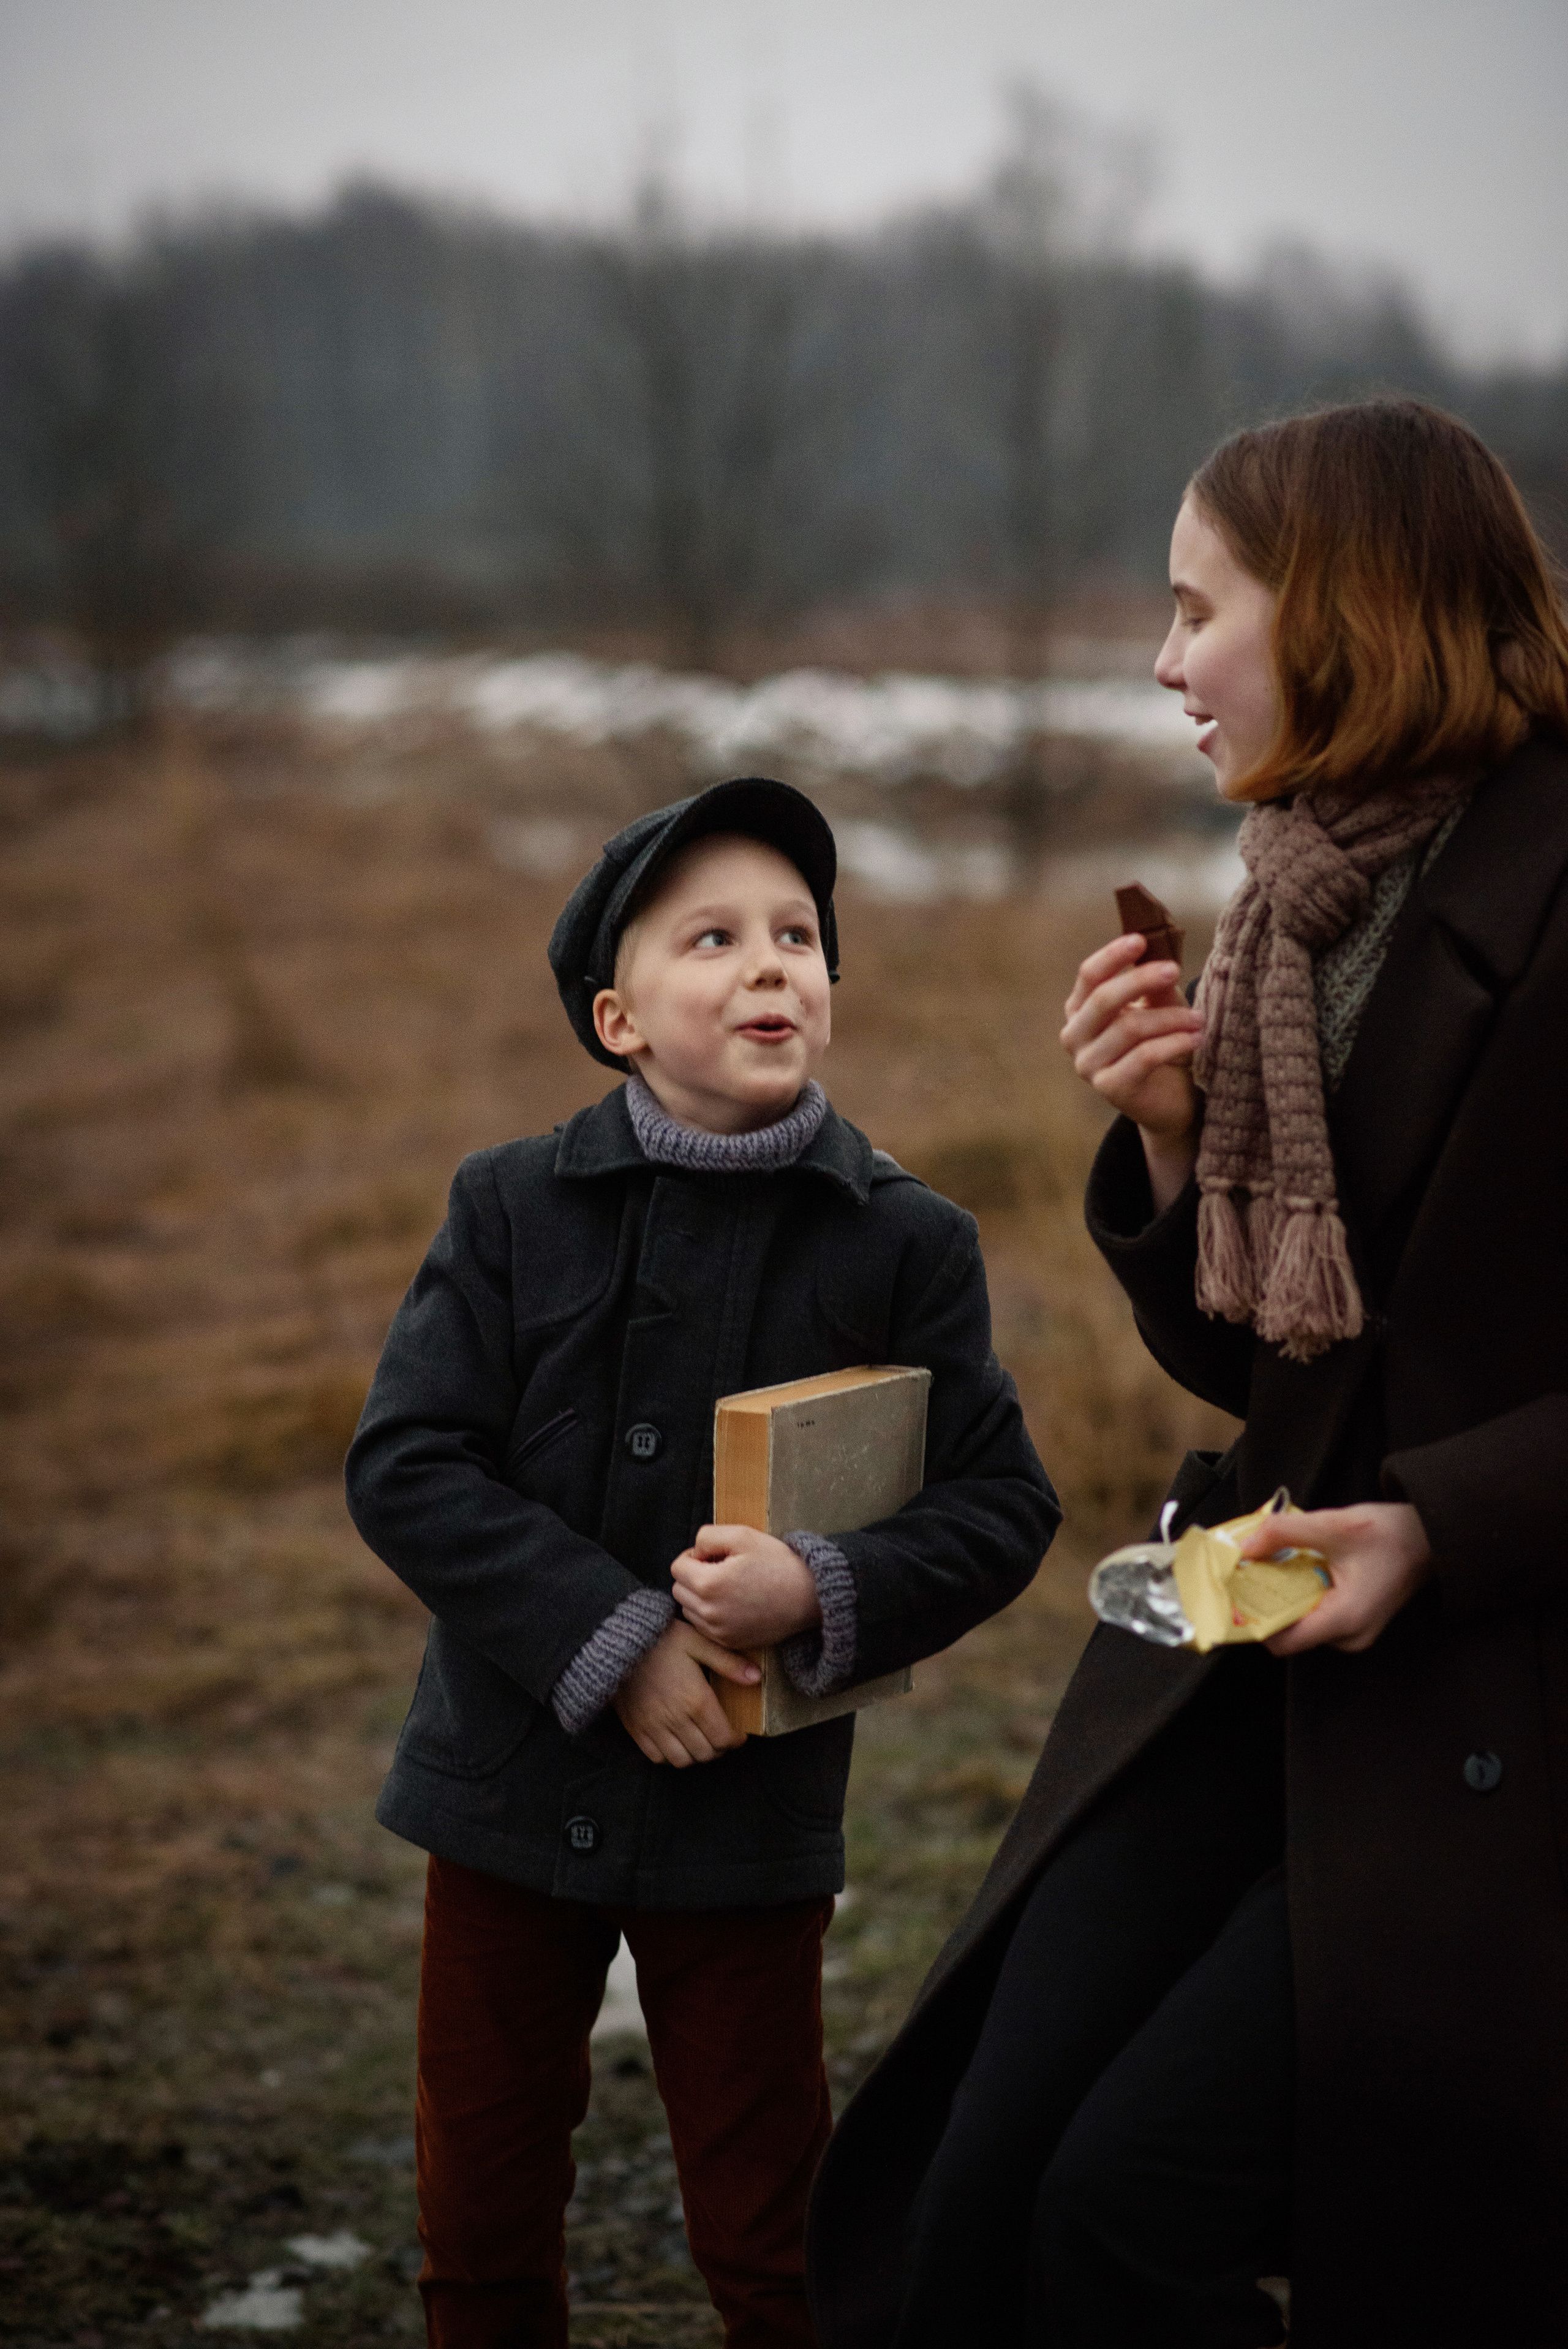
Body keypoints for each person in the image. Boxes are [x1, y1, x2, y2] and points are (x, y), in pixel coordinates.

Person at [805, 399, 1568, 2349]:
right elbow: (1286, 1360)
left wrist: (1441, 1529)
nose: (1161, 663)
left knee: (1125, 2211)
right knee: (975, 2178)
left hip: (1496, 1714)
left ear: (1348, 611)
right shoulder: (1304, 886)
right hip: (1257, 1644)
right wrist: (1166, 1138)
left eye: (1194, 606)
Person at [345, 774, 1060, 2349]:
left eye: (800, 935)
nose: (770, 966)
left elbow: (1003, 1504)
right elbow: (405, 1463)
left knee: (769, 2226)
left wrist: (822, 1586)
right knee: (480, 2212)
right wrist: (611, 1637)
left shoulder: (901, 1241)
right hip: (505, 1794)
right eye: (714, 937)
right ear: (617, 1017)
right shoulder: (512, 1208)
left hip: (747, 1822)